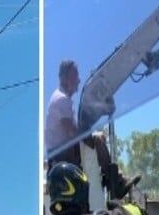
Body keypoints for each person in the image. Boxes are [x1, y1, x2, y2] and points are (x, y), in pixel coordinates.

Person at [46, 60, 139, 199]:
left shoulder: (61, 99)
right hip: (62, 157)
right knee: (97, 140)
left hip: (62, 156)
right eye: (75, 76)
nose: (78, 80)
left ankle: (112, 180)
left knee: (94, 139)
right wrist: (93, 136)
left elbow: (75, 130)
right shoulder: (61, 100)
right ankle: (115, 182)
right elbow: (72, 132)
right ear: (65, 78)